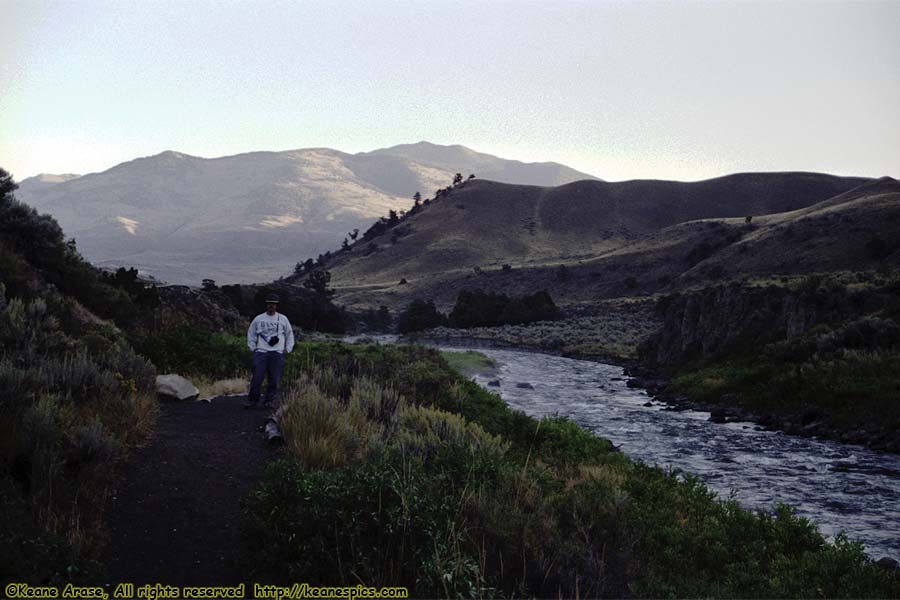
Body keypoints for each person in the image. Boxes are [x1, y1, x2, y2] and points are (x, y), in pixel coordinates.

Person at [245, 293, 294, 408]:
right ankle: (253, 400)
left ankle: (269, 401)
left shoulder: (283, 319)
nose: (271, 306)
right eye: (269, 304)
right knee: (257, 377)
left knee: (274, 379)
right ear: (266, 305)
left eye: (273, 304)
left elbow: (289, 334)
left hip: (277, 353)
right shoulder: (259, 318)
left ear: (276, 305)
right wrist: (252, 347)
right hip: (261, 352)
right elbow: (251, 333)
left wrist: (288, 348)